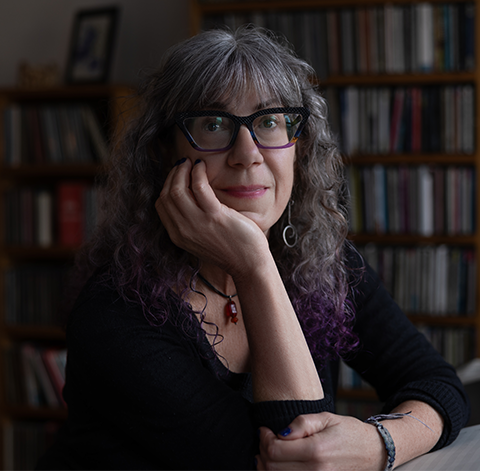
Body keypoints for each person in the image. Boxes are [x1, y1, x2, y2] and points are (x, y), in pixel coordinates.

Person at [36, 25, 469, 470]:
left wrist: (381, 443)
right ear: (162, 153)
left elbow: (437, 384)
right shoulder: (116, 312)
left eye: (269, 121)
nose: (248, 154)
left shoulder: (320, 261)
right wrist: (255, 265)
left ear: (298, 147)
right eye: (213, 124)